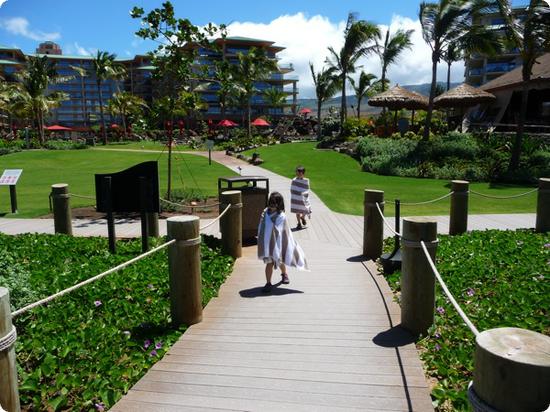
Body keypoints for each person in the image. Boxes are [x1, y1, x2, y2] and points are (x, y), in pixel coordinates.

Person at [257, 191, 308, 293]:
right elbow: (261, 226)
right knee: (269, 263)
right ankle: (268, 283)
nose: (271, 206)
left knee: (279, 261)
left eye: (274, 204)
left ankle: (284, 274)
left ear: (279, 205)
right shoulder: (265, 213)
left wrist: (271, 229)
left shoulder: (281, 216)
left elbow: (281, 230)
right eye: (270, 203)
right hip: (267, 244)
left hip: (277, 243)